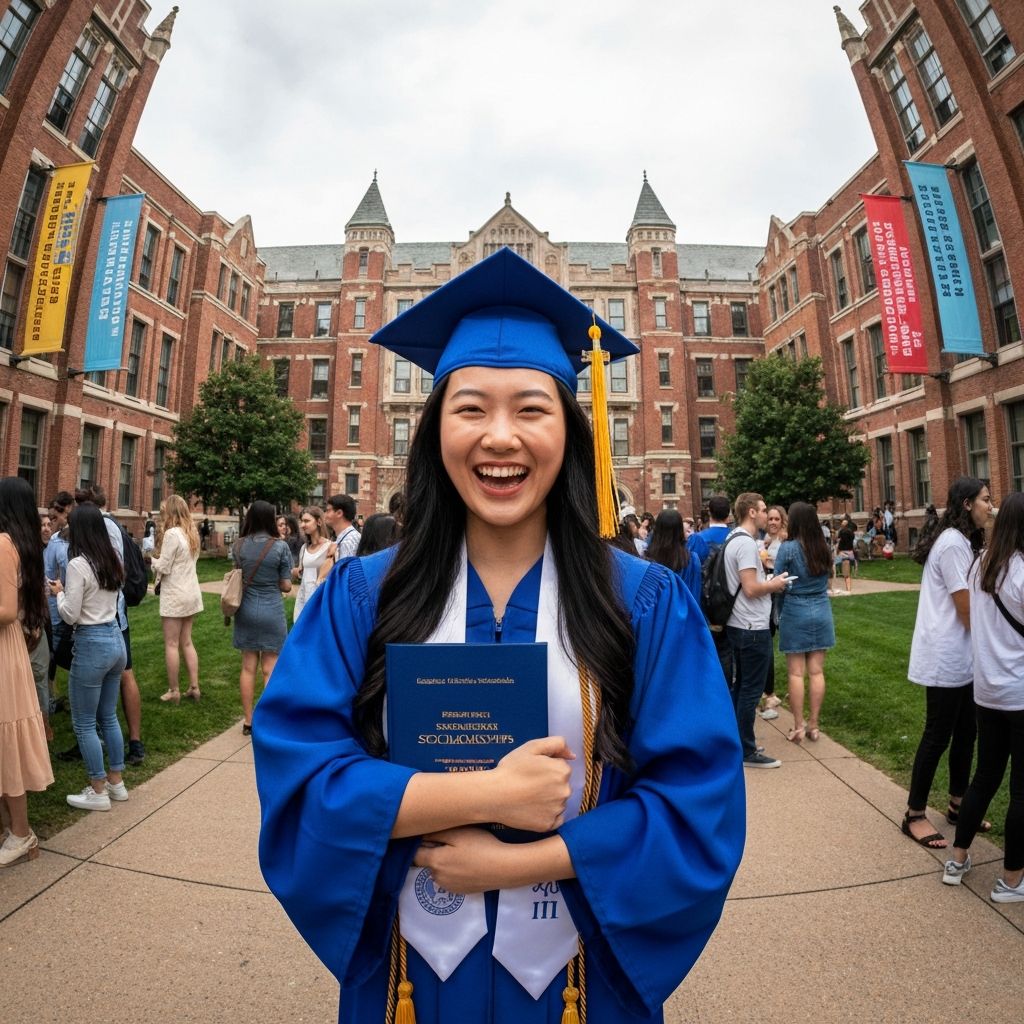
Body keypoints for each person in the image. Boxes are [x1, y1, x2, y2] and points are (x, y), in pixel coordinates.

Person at [253, 247, 744, 1024]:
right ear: (434, 430)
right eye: (472, 408)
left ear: (571, 432)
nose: (501, 437)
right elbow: (301, 785)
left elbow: (697, 807)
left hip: (581, 983)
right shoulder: (362, 597)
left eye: (531, 409)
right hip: (409, 984)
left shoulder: (642, 604)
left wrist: (521, 862)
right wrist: (488, 795)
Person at [941, 491, 1024, 899]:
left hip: (987, 691)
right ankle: (1012, 879)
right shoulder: (1020, 571)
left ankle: (957, 858)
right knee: (1021, 790)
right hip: (1019, 693)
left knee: (985, 776)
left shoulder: (980, 565)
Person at [902, 477, 992, 849]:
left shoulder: (962, 540)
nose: (990, 505)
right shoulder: (953, 543)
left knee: (967, 732)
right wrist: (991, 645)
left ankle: (957, 803)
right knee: (937, 735)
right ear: (967, 504)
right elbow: (966, 607)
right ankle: (914, 814)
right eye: (986, 499)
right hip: (946, 655)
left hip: (961, 656)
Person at [50, 502, 128, 813]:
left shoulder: (78, 565)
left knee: (84, 723)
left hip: (92, 642)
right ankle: (116, 782)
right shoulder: (112, 559)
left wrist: (58, 593)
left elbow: (70, 614)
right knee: (108, 716)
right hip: (115, 638)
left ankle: (97, 789)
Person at [0, 477, 52, 866]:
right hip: (11, 645)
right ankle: (12, 830)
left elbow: (4, 610)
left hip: (4, 646)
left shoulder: (4, 544)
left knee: (7, 741)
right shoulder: (21, 544)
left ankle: (20, 832)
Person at [723, 493, 792, 769]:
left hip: (739, 624)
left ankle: (738, 743)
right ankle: (746, 750)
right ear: (751, 512)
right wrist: (775, 584)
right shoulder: (745, 544)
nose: (766, 514)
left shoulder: (733, 538)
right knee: (750, 691)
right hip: (751, 626)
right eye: (763, 510)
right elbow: (751, 588)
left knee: (741, 687)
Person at [773, 502, 836, 743]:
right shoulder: (823, 547)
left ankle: (798, 726)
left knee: (796, 673)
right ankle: (814, 724)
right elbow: (828, 576)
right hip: (821, 608)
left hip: (795, 608)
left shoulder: (787, 548)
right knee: (817, 671)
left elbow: (778, 581)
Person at [232, 500, 292, 735]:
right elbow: (286, 585)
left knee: (248, 667)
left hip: (245, 609)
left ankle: (248, 721)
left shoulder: (238, 545)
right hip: (271, 609)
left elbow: (237, 574)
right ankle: (269, 722)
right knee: (270, 668)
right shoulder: (280, 547)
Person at [147, 495, 204, 703]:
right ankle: (194, 686)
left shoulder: (172, 534)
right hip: (191, 592)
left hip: (175, 594)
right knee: (186, 642)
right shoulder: (192, 532)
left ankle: (174, 690)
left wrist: (151, 560)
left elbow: (164, 566)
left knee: (171, 643)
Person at [758, 504, 787, 720]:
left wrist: (767, 562)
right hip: (767, 596)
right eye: (770, 519)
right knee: (766, 642)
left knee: (768, 643)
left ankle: (769, 693)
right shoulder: (766, 541)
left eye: (777, 519)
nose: (773, 522)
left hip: (778, 598)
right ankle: (768, 691)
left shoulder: (784, 542)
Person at [645, 508, 701, 601]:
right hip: (685, 607)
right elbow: (695, 595)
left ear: (657, 529)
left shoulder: (646, 559)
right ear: (680, 530)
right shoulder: (692, 559)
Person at [291, 506, 331, 622]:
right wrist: (296, 572)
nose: (302, 525)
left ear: (319, 522)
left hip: (321, 601)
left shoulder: (329, 547)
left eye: (307, 521)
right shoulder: (304, 548)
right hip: (303, 600)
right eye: (302, 521)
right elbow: (302, 575)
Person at [834, 516, 857, 596]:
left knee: (834, 565)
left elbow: (838, 541)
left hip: (843, 553)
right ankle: (848, 586)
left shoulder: (841, 532)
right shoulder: (851, 532)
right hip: (850, 553)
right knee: (848, 570)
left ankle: (847, 589)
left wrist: (838, 549)